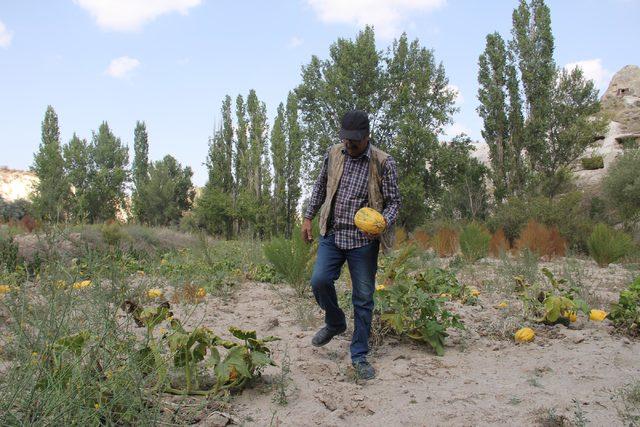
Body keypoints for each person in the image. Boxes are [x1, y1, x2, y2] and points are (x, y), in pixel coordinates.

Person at [301, 110, 401, 380]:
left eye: (354, 141)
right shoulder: (334, 153)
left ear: (367, 136)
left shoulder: (383, 162)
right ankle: (335, 321)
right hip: (332, 235)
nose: (349, 145)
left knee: (363, 298)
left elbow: (394, 202)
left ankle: (359, 355)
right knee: (319, 281)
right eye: (345, 140)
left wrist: (382, 222)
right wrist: (308, 217)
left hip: (363, 243)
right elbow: (320, 186)